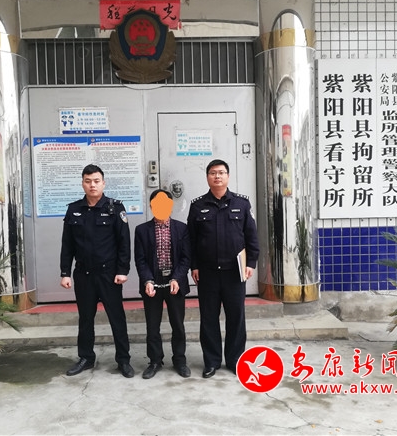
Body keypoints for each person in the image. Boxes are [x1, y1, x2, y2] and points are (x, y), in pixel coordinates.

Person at [60, 164, 134, 378]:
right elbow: (67, 244)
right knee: (85, 319)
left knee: (117, 318)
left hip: (109, 275)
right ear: (82, 183)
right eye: (88, 181)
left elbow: (124, 242)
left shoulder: (115, 208)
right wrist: (65, 272)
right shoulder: (74, 209)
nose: (92, 185)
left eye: (96, 181)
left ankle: (123, 360)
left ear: (103, 183)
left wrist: (122, 270)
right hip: (83, 274)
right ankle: (86, 358)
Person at [187, 159, 259, 378]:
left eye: (221, 173)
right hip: (207, 273)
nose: (217, 176)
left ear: (227, 176)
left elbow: (251, 236)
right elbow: (190, 240)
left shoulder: (241, 204)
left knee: (236, 317)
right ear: (207, 177)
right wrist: (194, 266)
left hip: (234, 272)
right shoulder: (198, 206)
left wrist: (251, 263)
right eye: (212, 173)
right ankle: (211, 361)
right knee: (209, 318)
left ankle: (235, 360)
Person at [134, 189, 192, 379]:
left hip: (175, 282)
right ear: (151, 207)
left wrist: (177, 278)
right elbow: (140, 260)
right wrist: (147, 280)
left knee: (178, 324)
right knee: (152, 326)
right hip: (153, 283)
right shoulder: (142, 230)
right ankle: (155, 361)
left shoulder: (182, 228)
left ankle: (180, 360)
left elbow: (186, 258)